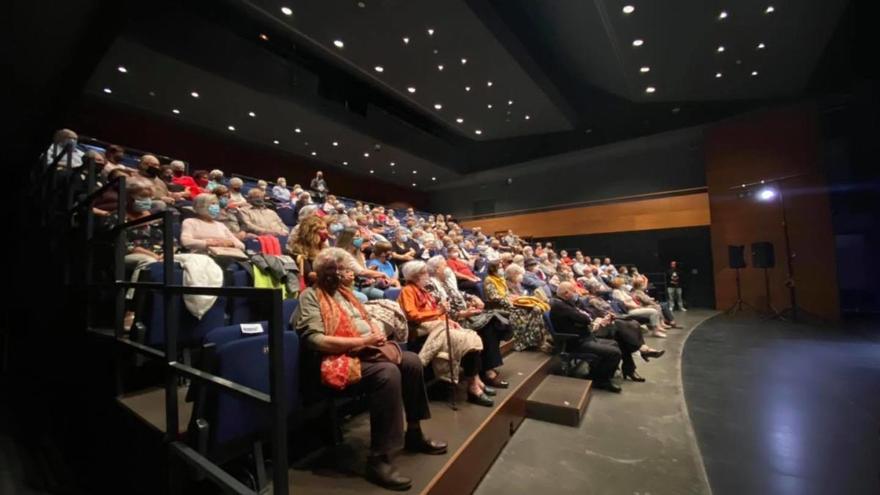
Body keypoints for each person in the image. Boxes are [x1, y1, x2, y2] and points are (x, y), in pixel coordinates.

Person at [292, 248, 447, 491]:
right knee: (388, 373)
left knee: (412, 362)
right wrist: (362, 342)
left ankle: (414, 432)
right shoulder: (311, 297)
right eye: (347, 271)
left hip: (366, 353)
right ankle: (378, 458)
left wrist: (375, 335)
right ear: (331, 273)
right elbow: (315, 340)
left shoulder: (346, 294)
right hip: (337, 360)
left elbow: (364, 321)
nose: (353, 275)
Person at [398, 261, 493, 407]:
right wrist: (439, 313)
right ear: (415, 276)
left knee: (471, 338)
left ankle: (476, 381)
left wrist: (448, 321)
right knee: (464, 340)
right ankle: (473, 386)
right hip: (421, 332)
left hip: (438, 326)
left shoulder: (424, 291)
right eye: (424, 273)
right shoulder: (408, 290)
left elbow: (439, 313)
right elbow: (412, 315)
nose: (427, 275)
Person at [425, 256, 509, 389]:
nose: (448, 268)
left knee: (494, 323)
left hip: (465, 314)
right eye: (444, 266)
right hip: (452, 320)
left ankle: (486, 367)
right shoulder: (430, 285)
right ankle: (488, 371)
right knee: (487, 328)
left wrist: (473, 297)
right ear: (436, 270)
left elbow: (459, 293)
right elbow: (439, 309)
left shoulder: (446, 281)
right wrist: (462, 313)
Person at [550, 283, 622, 393]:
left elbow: (585, 316)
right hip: (576, 342)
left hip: (584, 337)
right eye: (573, 291)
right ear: (566, 293)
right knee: (614, 352)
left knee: (614, 344)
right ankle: (602, 381)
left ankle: (595, 375)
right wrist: (587, 318)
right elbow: (584, 319)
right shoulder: (560, 306)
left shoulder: (566, 304)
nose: (576, 294)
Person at [483, 261, 548, 351]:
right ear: (493, 269)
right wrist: (510, 301)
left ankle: (535, 340)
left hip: (509, 302)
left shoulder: (501, 279)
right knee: (523, 312)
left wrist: (514, 297)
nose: (502, 269)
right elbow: (494, 297)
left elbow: (506, 294)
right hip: (500, 306)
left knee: (536, 309)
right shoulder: (489, 280)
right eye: (500, 268)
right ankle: (524, 342)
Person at [180, 194, 245, 254]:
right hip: (201, 256)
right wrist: (209, 243)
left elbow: (241, 245)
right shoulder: (190, 222)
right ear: (200, 206)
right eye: (213, 204)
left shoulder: (220, 225)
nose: (216, 207)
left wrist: (230, 243)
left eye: (217, 204)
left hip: (225, 255)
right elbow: (186, 242)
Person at [286, 215, 330, 286]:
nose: (326, 232)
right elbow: (312, 276)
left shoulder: (323, 249)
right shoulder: (297, 252)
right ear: (311, 232)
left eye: (326, 228)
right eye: (322, 229)